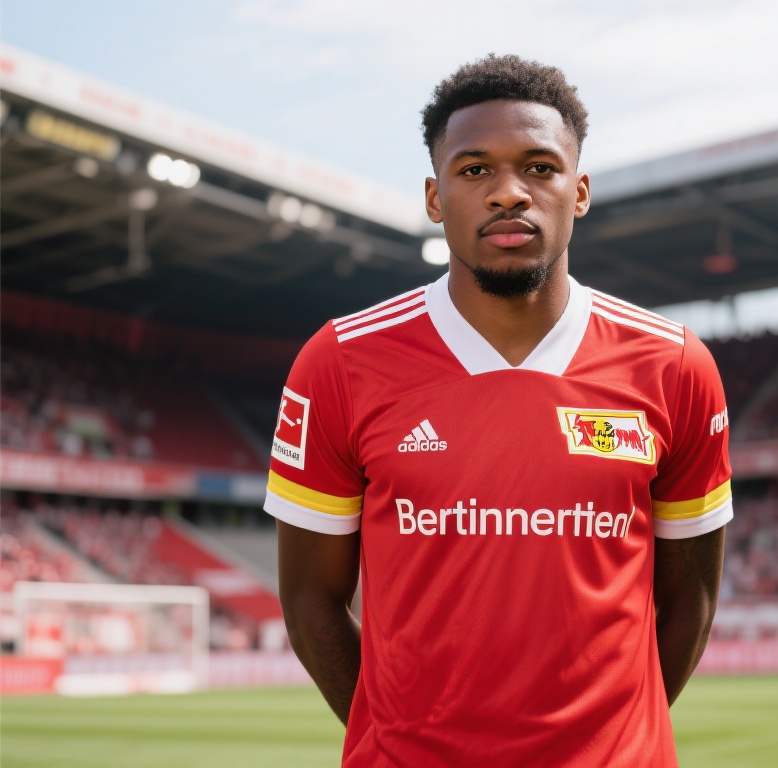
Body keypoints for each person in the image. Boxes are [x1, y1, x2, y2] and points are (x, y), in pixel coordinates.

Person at [266, 54, 731, 767]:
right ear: (434, 197)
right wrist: (402, 740)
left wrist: (610, 747)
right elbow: (310, 605)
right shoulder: (338, 363)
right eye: (474, 169)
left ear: (579, 192)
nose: (509, 193)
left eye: (540, 168)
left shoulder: (675, 366)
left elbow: (691, 602)